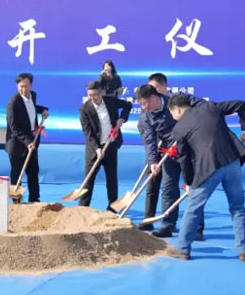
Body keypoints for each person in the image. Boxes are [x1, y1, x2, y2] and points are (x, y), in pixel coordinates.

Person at [167, 93, 245, 262]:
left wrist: (189, 182)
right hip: (232, 162)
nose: (173, 117)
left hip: (208, 168)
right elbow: (240, 103)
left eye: (172, 114)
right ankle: (244, 251)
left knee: (193, 209)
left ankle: (183, 249)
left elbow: (184, 159)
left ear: (177, 110)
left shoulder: (179, 129)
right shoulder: (210, 107)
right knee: (238, 208)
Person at [134, 84, 204, 239]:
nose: (143, 108)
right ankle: (167, 225)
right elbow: (150, 140)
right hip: (170, 153)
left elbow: (202, 105)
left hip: (190, 152)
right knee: (168, 189)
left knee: (194, 188)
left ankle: (197, 228)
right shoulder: (146, 115)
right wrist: (153, 161)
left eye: (144, 103)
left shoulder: (176, 100)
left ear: (154, 98)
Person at [78, 81, 132, 210]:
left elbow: (128, 105)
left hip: (111, 145)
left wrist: (122, 119)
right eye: (90, 95)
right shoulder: (84, 109)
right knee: (89, 179)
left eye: (95, 95)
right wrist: (97, 149)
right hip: (94, 149)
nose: (93, 98)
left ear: (101, 92)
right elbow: (88, 133)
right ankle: (83, 208)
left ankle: (113, 208)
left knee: (111, 179)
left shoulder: (110, 101)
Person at [5, 72, 49, 203]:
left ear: (31, 85)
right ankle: (16, 202)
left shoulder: (32, 96)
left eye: (26, 86)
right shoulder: (13, 103)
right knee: (17, 175)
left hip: (32, 141)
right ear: (17, 86)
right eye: (21, 86)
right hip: (17, 145)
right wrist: (28, 142)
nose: (24, 89)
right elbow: (14, 127)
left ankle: (35, 200)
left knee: (33, 173)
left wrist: (43, 110)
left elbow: (31, 108)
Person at [139, 73, 169, 230]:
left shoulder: (173, 103)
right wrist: (152, 160)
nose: (153, 90)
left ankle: (169, 223)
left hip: (173, 150)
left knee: (170, 187)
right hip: (154, 149)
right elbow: (146, 134)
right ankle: (148, 219)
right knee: (152, 184)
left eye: (155, 87)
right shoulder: (145, 111)